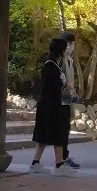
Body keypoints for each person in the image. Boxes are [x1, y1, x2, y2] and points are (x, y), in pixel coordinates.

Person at [29, 38, 77, 176]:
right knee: (58, 135)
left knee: (43, 136)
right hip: (53, 107)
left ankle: (35, 163)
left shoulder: (51, 64)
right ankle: (59, 165)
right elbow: (54, 85)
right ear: (61, 50)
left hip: (47, 106)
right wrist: (65, 85)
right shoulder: (51, 66)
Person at [54, 31, 81, 169]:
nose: (72, 46)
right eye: (70, 44)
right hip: (60, 99)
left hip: (68, 98)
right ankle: (62, 158)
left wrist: (73, 91)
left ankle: (64, 155)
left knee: (66, 129)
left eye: (73, 44)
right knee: (62, 130)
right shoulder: (60, 59)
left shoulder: (69, 59)